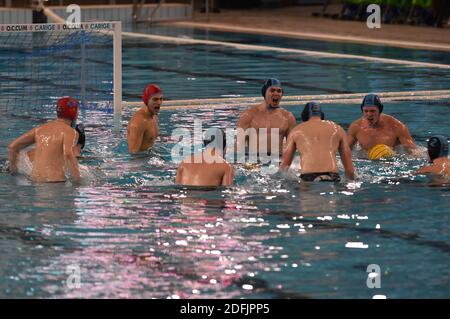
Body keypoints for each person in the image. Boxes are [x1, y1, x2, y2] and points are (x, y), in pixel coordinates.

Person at [8, 97, 81, 183]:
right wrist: (78, 180)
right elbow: (68, 154)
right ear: (75, 113)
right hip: (55, 183)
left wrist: (14, 171)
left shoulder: (40, 129)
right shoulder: (70, 131)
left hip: (34, 180)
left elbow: (12, 147)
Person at [280, 102, 355, 182]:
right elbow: (350, 170)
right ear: (321, 115)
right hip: (332, 176)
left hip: (308, 177)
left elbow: (284, 168)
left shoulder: (296, 131)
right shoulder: (338, 129)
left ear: (304, 116)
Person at [236, 78, 296, 161]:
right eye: (272, 90)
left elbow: (292, 146)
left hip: (277, 160)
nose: (276, 93)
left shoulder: (288, 117)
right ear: (264, 93)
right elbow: (239, 143)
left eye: (279, 91)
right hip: (254, 161)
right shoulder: (249, 115)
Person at [347, 94, 417, 157]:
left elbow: (413, 151)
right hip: (366, 161)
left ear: (380, 110)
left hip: (391, 162)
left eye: (372, 111)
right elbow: (345, 151)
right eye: (366, 111)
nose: (369, 114)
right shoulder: (356, 127)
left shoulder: (396, 126)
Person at [127, 84, 162, 154]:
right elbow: (133, 154)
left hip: (149, 155)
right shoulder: (138, 122)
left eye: (161, 99)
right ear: (147, 100)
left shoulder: (154, 117)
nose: (159, 102)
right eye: (155, 99)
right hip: (140, 161)